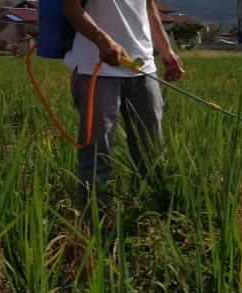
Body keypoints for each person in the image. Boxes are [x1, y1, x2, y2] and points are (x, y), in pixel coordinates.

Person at [63, 0, 184, 211]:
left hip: (143, 67)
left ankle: (153, 214)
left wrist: (166, 49)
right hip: (97, 68)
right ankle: (96, 220)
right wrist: (103, 41)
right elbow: (71, 7)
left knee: (152, 150)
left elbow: (148, 7)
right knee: (97, 153)